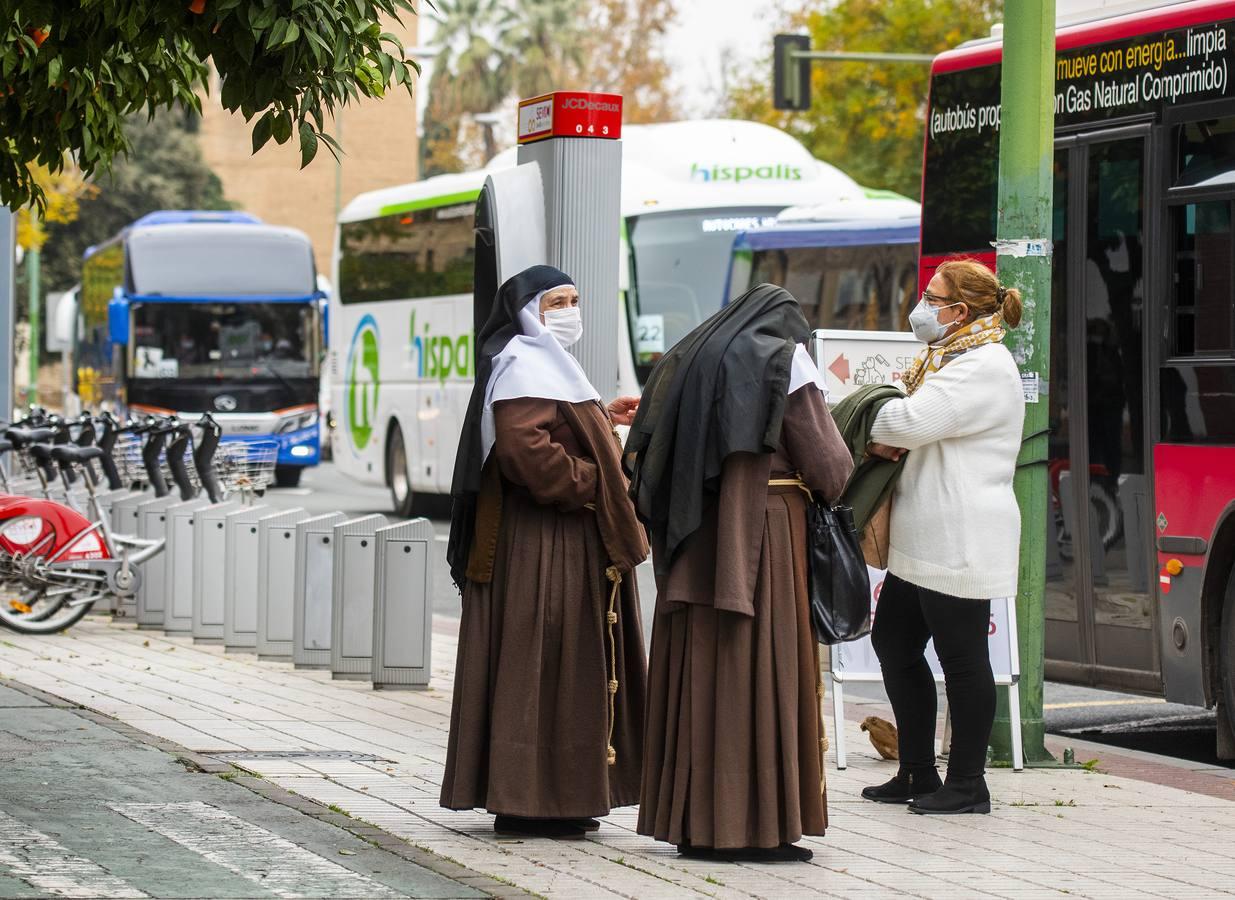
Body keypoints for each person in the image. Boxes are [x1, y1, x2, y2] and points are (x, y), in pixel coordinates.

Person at [627, 284, 853, 862]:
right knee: (762, 663)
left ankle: (695, 823)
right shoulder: (785, 360)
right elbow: (829, 466)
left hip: (695, 536)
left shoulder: (693, 355)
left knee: (700, 670)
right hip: (764, 534)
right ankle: (754, 827)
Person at [440, 265, 648, 839]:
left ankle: (559, 794)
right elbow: (525, 451)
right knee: (543, 663)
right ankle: (532, 798)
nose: (571, 310)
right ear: (529, 309)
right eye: (558, 301)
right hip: (541, 541)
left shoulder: (543, 364)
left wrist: (602, 419)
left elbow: (548, 426)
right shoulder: (524, 361)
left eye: (576, 299)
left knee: (563, 665)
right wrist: (595, 480)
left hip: (558, 538)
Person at [861, 258, 1025, 815]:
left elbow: (904, 424)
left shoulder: (982, 365)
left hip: (958, 537)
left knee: (962, 659)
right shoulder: (948, 356)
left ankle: (967, 785)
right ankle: (917, 770)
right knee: (895, 643)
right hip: (924, 539)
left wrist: (863, 408)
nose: (922, 306)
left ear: (960, 310)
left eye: (933, 297)